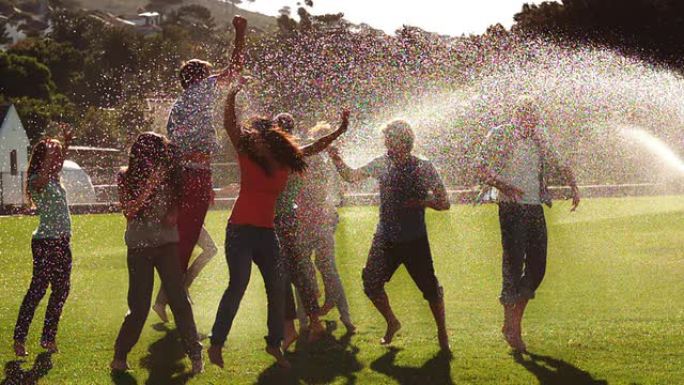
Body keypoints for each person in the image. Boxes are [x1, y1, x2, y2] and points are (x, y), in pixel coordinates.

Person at [208, 80, 348, 369]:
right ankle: (216, 343)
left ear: (272, 140)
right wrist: (232, 93)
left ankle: (274, 344)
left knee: (277, 286)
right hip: (240, 231)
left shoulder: (286, 160)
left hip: (266, 233)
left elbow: (316, 145)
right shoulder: (246, 154)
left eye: (259, 135)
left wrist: (339, 130)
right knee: (238, 284)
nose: (252, 137)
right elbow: (229, 123)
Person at [153, 15, 247, 322]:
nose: (213, 81)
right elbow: (234, 70)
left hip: (185, 174)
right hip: (195, 173)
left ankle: (168, 298)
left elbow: (169, 149)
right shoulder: (201, 89)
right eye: (208, 75)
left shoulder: (178, 103)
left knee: (186, 240)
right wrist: (239, 32)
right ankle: (175, 302)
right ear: (199, 78)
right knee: (187, 242)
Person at [327, 120, 451, 352]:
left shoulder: (423, 166)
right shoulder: (382, 163)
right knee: (371, 283)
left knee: (430, 289)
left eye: (389, 138)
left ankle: (443, 333)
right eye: (385, 139)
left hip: (414, 239)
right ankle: (392, 322)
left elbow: (445, 203)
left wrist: (421, 202)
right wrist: (337, 159)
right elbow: (351, 176)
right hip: (385, 238)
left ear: (403, 141)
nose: (385, 142)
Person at [476, 95, 580, 352]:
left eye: (533, 116)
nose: (530, 120)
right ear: (516, 115)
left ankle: (512, 321)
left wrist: (574, 185)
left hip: (534, 207)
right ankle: (512, 326)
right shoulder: (500, 134)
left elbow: (559, 161)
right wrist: (504, 186)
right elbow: (478, 167)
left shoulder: (540, 136)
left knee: (538, 268)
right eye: (525, 114)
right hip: (510, 208)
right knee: (512, 266)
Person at [110, 132, 203, 374]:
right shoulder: (125, 176)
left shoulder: (170, 174)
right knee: (139, 307)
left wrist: (173, 213)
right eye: (155, 152)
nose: (158, 157)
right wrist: (150, 185)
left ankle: (195, 353)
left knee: (179, 300)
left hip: (166, 245)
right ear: (142, 155)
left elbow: (175, 205)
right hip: (139, 247)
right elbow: (129, 211)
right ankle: (120, 356)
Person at [13, 125, 74, 357]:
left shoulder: (54, 179)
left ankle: (48, 338)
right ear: (44, 158)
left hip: (62, 242)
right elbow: (47, 171)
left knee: (61, 290)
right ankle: (20, 339)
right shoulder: (37, 181)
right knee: (38, 290)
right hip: (45, 243)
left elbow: (56, 166)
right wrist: (50, 154)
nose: (58, 159)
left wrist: (65, 144)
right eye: (54, 156)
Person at [272, 113, 328, 349]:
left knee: (283, 275)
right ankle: (312, 322)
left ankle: (291, 329)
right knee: (297, 272)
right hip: (290, 220)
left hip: (279, 220)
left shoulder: (281, 156)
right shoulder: (295, 155)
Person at [296, 122, 356, 335]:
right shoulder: (325, 159)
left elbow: (316, 192)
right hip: (320, 220)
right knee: (327, 269)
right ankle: (345, 318)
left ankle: (305, 320)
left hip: (309, 221)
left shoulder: (312, 159)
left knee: (305, 271)